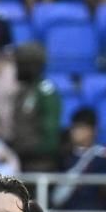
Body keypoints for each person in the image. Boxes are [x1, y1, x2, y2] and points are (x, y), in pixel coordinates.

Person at [10, 41, 62, 174]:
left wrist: (27, 150)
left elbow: (50, 136)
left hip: (40, 165)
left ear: (30, 66)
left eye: (19, 64)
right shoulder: (23, 91)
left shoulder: (45, 92)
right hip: (20, 163)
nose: (15, 69)